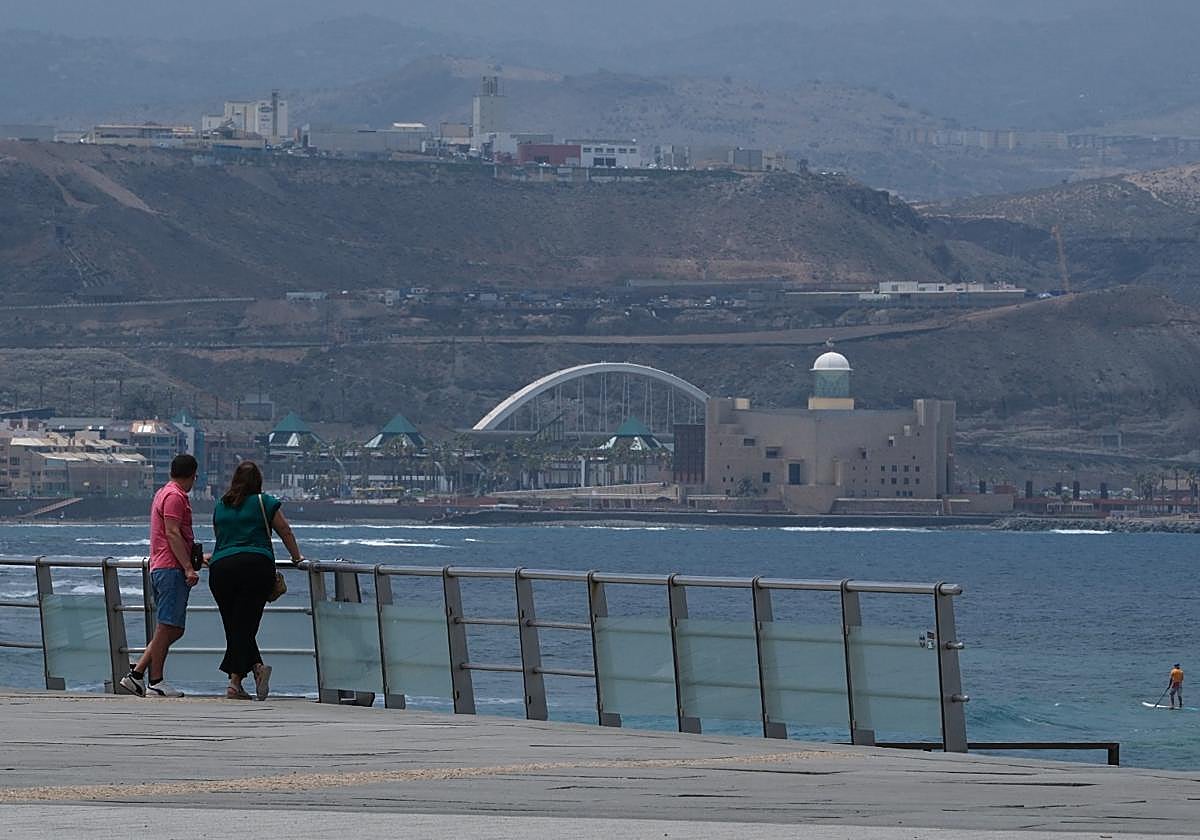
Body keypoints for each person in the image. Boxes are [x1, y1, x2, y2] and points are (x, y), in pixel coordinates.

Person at [209, 461, 304, 700]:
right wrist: (297, 558)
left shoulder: (221, 504)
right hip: (254, 567)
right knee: (246, 625)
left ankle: (242, 679)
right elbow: (285, 530)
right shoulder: (265, 502)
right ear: (258, 481)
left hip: (220, 568)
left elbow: (219, 536)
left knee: (234, 625)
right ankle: (244, 676)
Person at [121, 454, 200, 698]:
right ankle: (154, 680)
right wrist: (188, 566)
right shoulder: (176, 497)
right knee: (168, 626)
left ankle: (138, 674)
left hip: (162, 565)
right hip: (170, 568)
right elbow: (173, 533)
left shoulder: (163, 492)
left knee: (172, 628)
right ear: (193, 475)